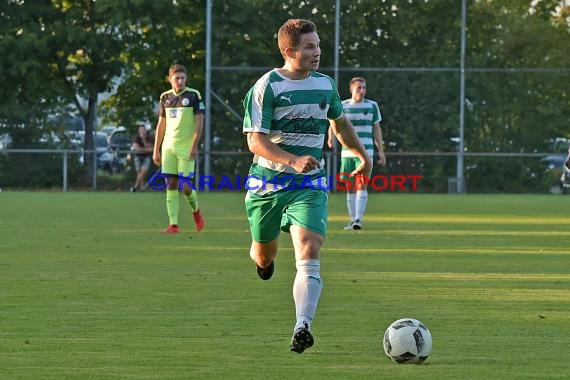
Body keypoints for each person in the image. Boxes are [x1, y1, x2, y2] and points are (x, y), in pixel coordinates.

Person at [242, 19, 372, 354]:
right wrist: (292, 160)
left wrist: (361, 154)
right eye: (309, 47)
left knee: (310, 248)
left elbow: (340, 123)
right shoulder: (266, 86)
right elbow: (255, 142)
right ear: (289, 51)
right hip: (266, 183)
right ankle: (263, 261)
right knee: (262, 254)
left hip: (309, 183)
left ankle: (303, 325)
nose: (317, 52)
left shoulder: (325, 85)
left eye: (318, 45)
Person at [328, 77, 386, 230]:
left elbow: (376, 129)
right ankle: (352, 220)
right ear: (351, 89)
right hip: (347, 152)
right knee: (350, 186)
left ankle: (358, 220)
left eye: (364, 88)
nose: (362, 90)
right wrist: (330, 137)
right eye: (359, 87)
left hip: (366, 153)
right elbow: (334, 124)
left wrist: (381, 150)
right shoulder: (343, 105)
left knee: (362, 185)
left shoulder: (372, 106)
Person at [152, 63, 205, 234]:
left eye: (182, 78)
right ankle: (173, 225)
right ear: (170, 79)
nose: (180, 81)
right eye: (177, 78)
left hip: (186, 148)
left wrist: (195, 145)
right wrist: (156, 149)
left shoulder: (193, 95)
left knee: (186, 186)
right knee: (171, 184)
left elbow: (199, 121)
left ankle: (196, 211)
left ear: (186, 79)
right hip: (168, 147)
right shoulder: (165, 97)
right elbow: (161, 124)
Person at [131, 124, 154, 192]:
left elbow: (149, 146)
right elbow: (136, 148)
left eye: (143, 130)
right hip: (138, 157)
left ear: (146, 130)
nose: (142, 131)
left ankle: (135, 187)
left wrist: (143, 139)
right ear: (139, 130)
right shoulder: (136, 137)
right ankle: (142, 188)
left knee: (143, 172)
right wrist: (146, 150)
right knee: (139, 173)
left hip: (146, 157)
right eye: (141, 130)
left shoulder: (149, 137)